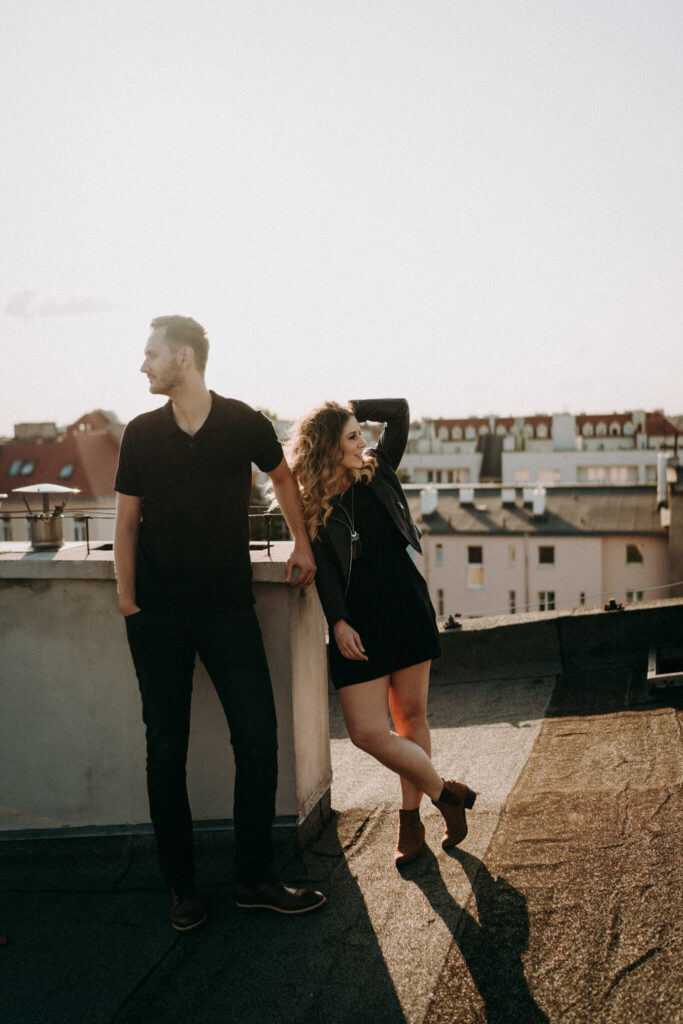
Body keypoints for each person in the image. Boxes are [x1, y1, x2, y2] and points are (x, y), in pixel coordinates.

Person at [114, 315, 326, 929]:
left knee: (258, 741)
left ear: (184, 358)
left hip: (230, 610)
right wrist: (128, 601)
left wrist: (303, 545)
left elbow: (282, 477)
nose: (143, 365)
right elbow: (127, 524)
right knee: (165, 751)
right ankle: (182, 888)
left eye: (151, 354)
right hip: (157, 617)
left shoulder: (242, 423)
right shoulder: (141, 434)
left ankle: (254, 878)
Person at [286, 398, 477, 867]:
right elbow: (326, 570)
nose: (362, 442)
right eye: (351, 436)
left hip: (405, 606)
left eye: (359, 434)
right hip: (359, 620)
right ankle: (444, 793)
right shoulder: (310, 501)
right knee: (367, 732)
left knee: (411, 717)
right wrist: (339, 620)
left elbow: (401, 412)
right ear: (328, 447)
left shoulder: (379, 470)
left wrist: (349, 407)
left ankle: (410, 822)